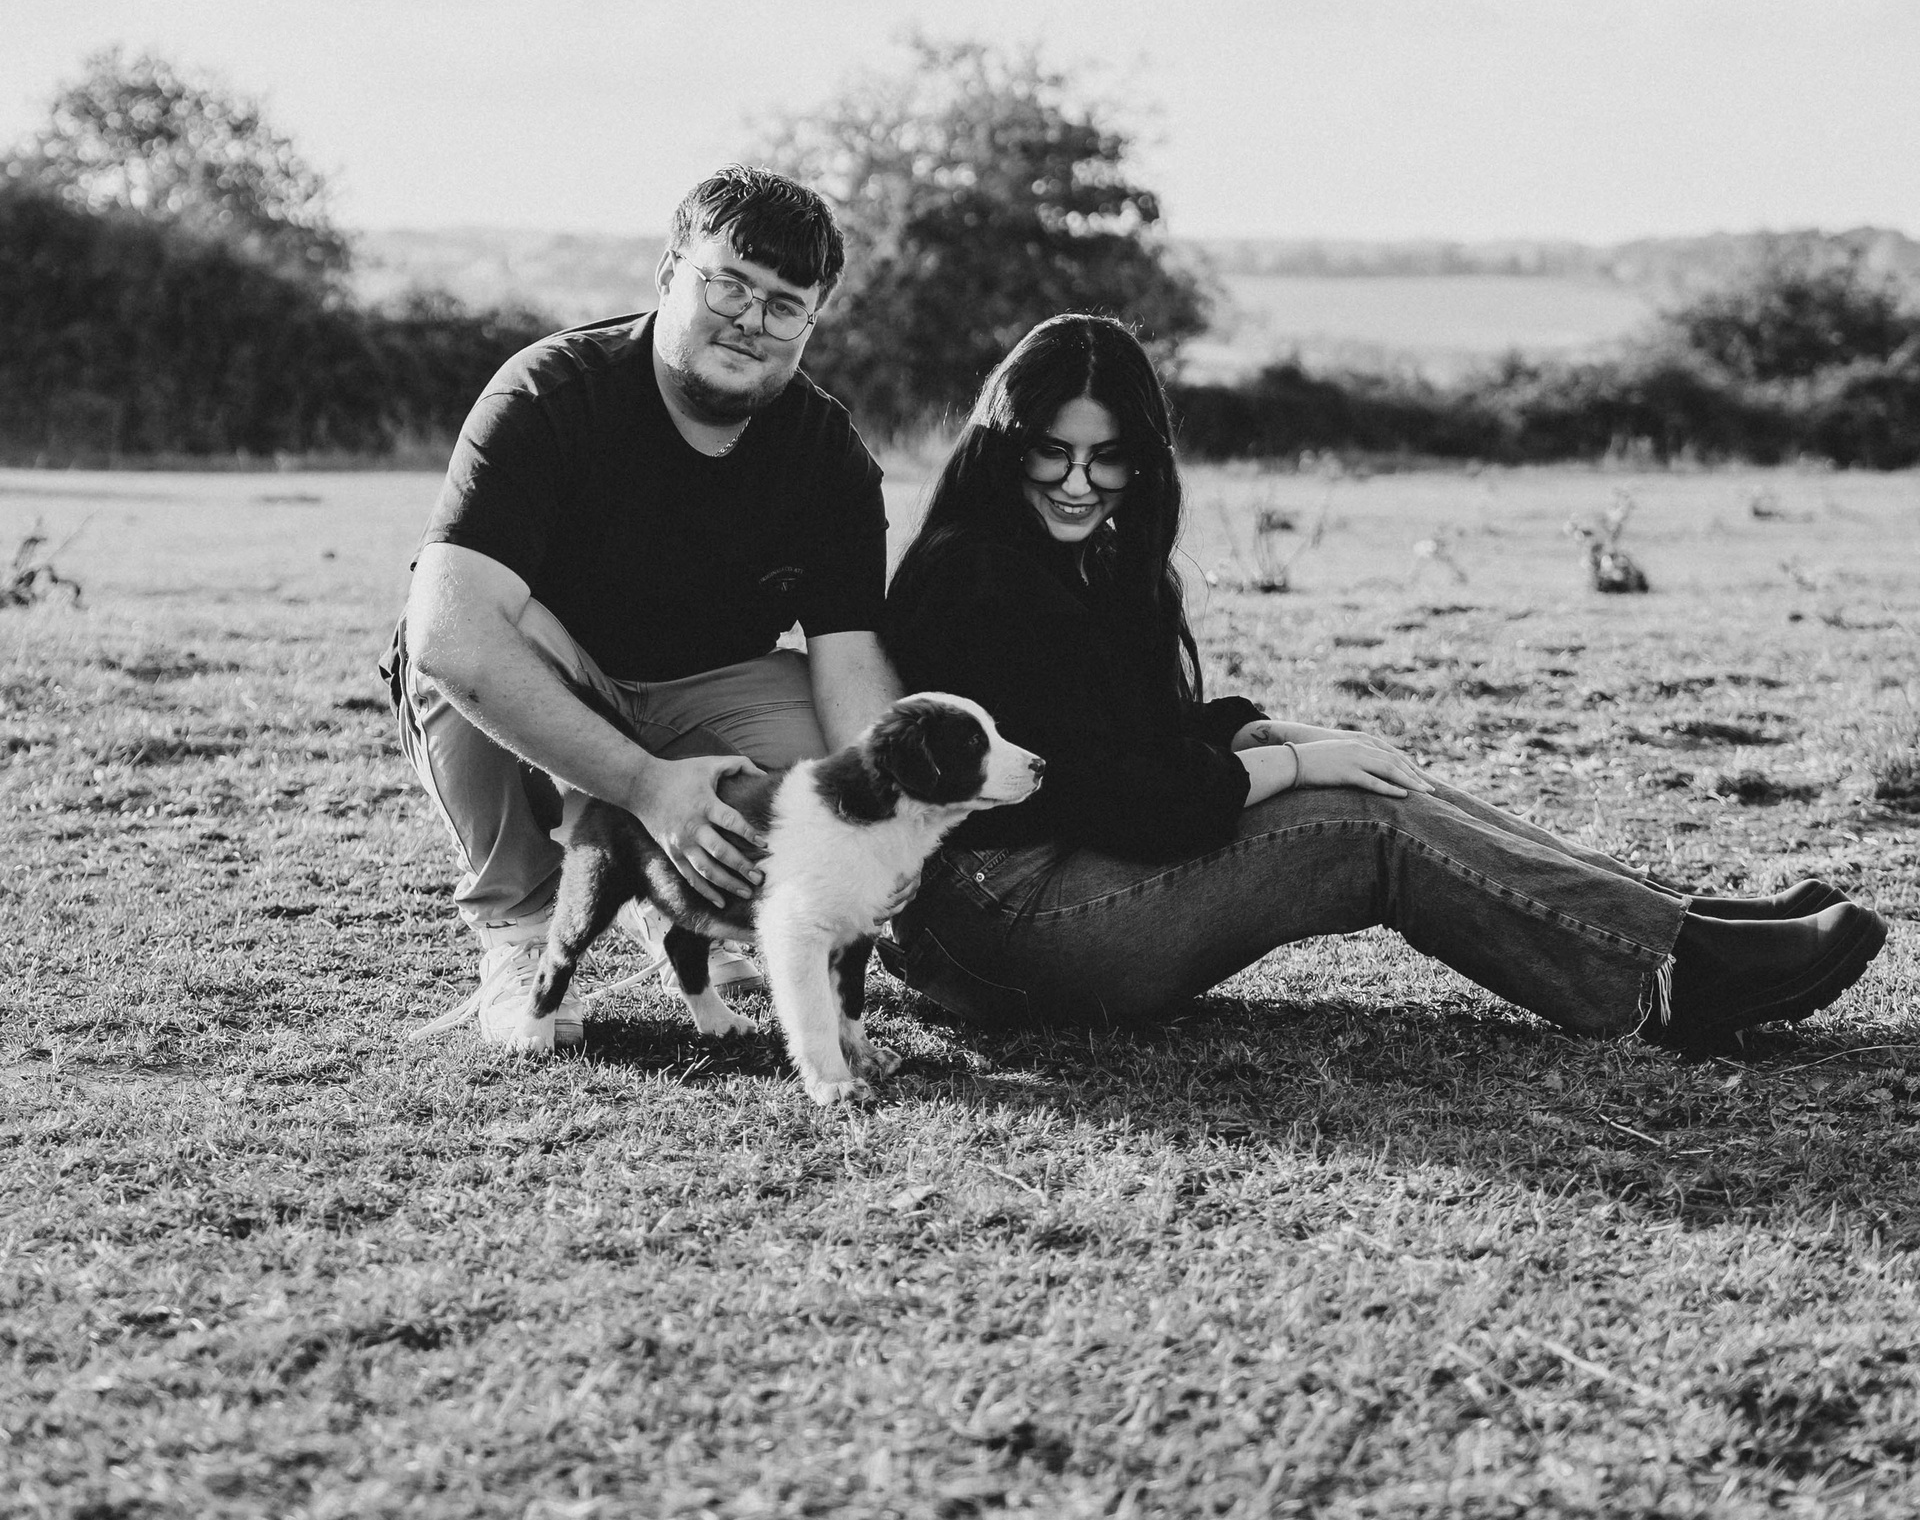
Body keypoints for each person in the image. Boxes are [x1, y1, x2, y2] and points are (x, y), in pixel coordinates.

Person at [881, 315, 1887, 1051]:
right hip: (1003, 918)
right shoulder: (982, 576)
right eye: (1052, 454)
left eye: (1107, 460)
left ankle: (1679, 925)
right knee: (1366, 823)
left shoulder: (1075, 561)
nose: (1077, 483)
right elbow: (1135, 798)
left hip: (1052, 879)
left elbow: (1132, 731)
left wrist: (1270, 733)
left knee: (1379, 775)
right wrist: (1290, 768)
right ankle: (1669, 981)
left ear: (1142, 460)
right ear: (1007, 443)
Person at [388, 166, 900, 1052]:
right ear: (669, 274)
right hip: (562, 670)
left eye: (786, 305)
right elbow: (449, 634)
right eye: (729, 284)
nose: (752, 320)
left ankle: (690, 910)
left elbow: (851, 663)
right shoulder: (548, 392)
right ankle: (524, 930)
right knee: (463, 641)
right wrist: (643, 787)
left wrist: (878, 821)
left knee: (832, 766)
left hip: (708, 689)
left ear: (812, 323)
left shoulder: (828, 453)